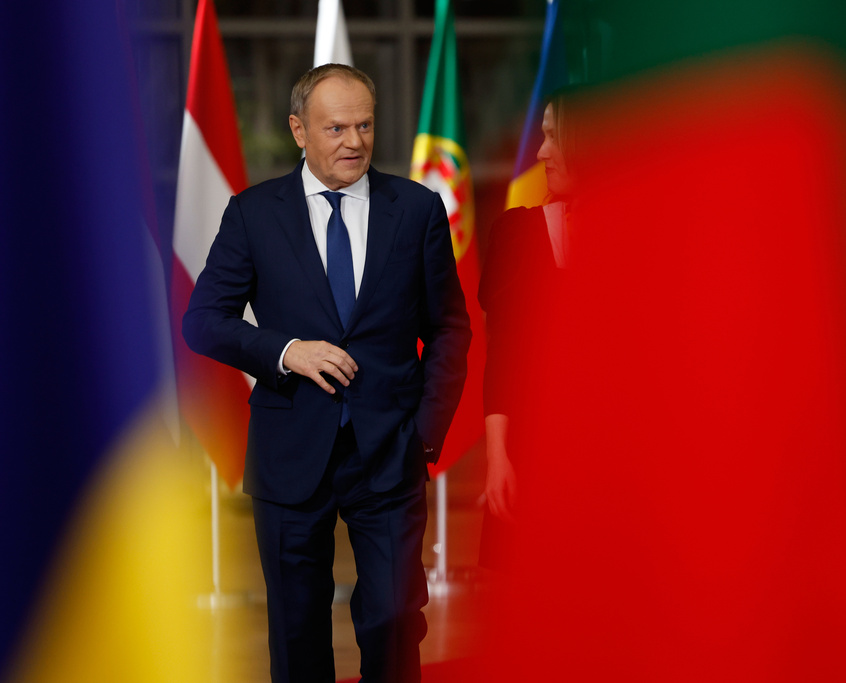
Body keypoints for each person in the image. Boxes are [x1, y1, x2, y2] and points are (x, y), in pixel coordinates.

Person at [183, 63, 471, 683]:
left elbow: (450, 328)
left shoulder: (417, 209)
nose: (355, 141)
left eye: (364, 125)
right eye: (336, 127)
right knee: (296, 630)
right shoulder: (254, 214)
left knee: (394, 620)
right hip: (290, 453)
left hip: (390, 454)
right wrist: (288, 350)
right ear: (298, 130)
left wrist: (424, 432)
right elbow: (202, 321)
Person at [477, 93, 576, 568]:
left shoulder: (648, 238)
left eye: (554, 136)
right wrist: (498, 459)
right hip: (533, 455)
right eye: (542, 134)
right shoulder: (516, 235)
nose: (540, 151)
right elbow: (503, 358)